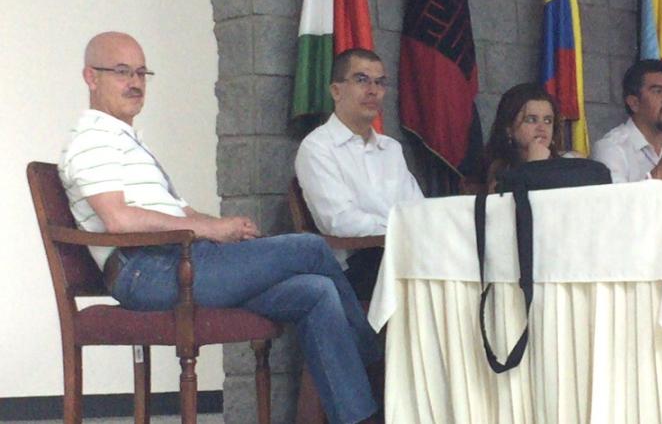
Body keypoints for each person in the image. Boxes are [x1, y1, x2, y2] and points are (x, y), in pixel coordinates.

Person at [59, 32, 380, 424]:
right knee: (309, 248)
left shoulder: (125, 140)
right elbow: (118, 219)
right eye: (122, 72)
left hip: (180, 261)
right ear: (91, 77)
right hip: (146, 271)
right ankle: (376, 359)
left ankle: (360, 419)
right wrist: (209, 230)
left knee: (316, 290)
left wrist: (222, 227)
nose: (136, 82)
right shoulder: (93, 139)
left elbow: (179, 212)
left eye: (142, 73)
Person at [295, 48, 423, 300]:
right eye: (362, 80)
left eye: (380, 82)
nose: (373, 90)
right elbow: (340, 222)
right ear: (336, 91)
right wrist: (401, 229)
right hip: (354, 264)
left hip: (402, 252)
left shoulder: (391, 148)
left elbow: (417, 210)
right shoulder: (318, 147)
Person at [482, 83, 570, 193]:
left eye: (548, 120)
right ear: (509, 129)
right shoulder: (499, 169)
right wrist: (534, 166)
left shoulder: (570, 164)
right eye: (531, 120)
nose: (542, 128)